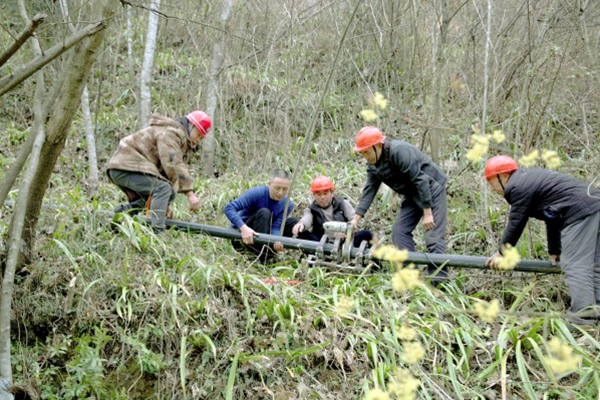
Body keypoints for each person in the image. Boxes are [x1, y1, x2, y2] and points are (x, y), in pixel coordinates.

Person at [484, 155, 600, 326]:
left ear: (503, 176)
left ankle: (583, 318)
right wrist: (555, 250)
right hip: (594, 204)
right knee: (594, 263)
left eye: (491, 181)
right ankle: (595, 310)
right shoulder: (529, 179)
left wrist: (502, 252)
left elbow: (516, 221)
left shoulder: (517, 186)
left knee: (575, 264)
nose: (492, 188)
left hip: (581, 211)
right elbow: (552, 216)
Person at [350, 126, 449, 284]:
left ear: (377, 146)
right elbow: (369, 190)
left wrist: (428, 213)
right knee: (399, 232)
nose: (365, 156)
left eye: (366, 152)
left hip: (432, 190)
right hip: (411, 195)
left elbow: (421, 180)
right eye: (362, 153)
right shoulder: (373, 165)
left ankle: (440, 283)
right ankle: (413, 277)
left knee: (433, 237)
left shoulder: (399, 151)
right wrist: (356, 219)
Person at [107, 110, 211, 230]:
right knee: (162, 188)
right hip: (125, 164)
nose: (198, 140)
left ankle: (111, 221)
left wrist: (166, 204)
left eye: (201, 138)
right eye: (198, 134)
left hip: (127, 167)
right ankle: (157, 232)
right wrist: (190, 194)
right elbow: (173, 163)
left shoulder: (179, 139)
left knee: (149, 198)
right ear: (191, 126)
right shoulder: (170, 133)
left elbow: (166, 173)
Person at [223, 169, 299, 263]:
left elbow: (277, 226)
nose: (280, 193)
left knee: (293, 222)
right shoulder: (257, 193)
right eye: (277, 188)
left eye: (284, 189)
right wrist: (243, 228)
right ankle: (258, 257)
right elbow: (229, 208)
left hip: (266, 234)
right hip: (244, 236)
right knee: (265, 213)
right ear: (269, 184)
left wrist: (277, 240)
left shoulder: (287, 204)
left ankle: (267, 254)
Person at [292, 176, 374, 247]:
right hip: (322, 243)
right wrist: (301, 224)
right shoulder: (311, 209)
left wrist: (346, 232)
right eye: (319, 194)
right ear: (314, 195)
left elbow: (353, 221)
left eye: (325, 193)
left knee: (366, 234)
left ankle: (375, 261)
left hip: (346, 241)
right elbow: (307, 218)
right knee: (301, 232)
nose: (322, 197)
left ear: (332, 192)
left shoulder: (343, 204)